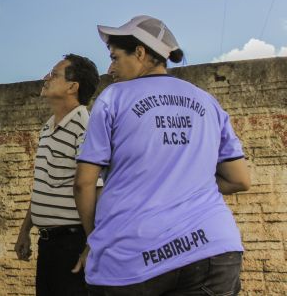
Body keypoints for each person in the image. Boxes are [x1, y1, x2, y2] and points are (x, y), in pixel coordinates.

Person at [74, 15, 251, 295]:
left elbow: (84, 183)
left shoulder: (113, 98)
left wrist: (93, 238)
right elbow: (240, 179)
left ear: (141, 52)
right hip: (213, 251)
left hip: (133, 257)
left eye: (116, 57)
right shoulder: (207, 101)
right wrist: (186, 180)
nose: (111, 68)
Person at [15, 54, 101, 296]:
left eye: (54, 74)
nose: (46, 78)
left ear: (73, 87)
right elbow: (44, 185)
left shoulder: (85, 126)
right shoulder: (47, 127)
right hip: (49, 244)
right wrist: (25, 230)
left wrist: (92, 245)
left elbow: (97, 189)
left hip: (73, 243)